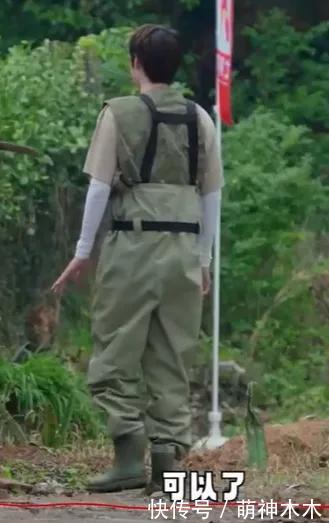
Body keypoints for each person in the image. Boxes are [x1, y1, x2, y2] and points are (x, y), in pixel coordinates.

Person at [52, 24, 223, 494]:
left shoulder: (118, 114)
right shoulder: (201, 119)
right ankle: (167, 466)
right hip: (184, 248)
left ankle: (128, 457)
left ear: (135, 64)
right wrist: (204, 258)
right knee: (172, 354)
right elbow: (212, 195)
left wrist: (82, 252)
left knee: (115, 349)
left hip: (133, 244)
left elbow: (98, 189)